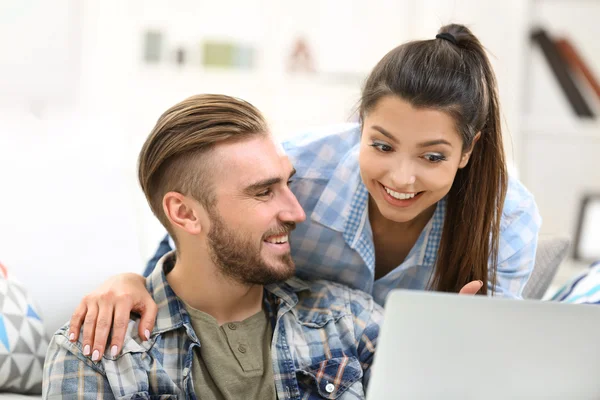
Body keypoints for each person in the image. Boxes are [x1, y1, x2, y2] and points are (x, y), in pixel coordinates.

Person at [68, 24, 541, 359]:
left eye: (432, 157)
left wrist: (464, 346)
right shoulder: (295, 176)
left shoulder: (508, 220)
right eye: (382, 144)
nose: (401, 178)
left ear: (467, 151)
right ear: (360, 125)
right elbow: (194, 240)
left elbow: (485, 361)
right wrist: (134, 281)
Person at [43, 94, 383, 399]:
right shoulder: (97, 356)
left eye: (288, 182)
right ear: (186, 213)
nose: (297, 212)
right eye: (263, 192)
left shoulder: (351, 323)